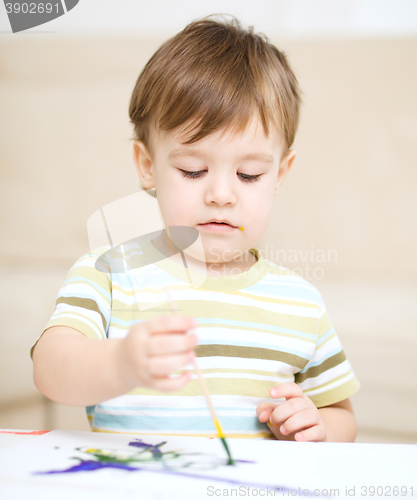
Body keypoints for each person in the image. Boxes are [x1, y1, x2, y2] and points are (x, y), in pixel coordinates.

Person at [32, 15, 360, 441]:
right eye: (193, 170)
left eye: (249, 175)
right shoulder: (108, 275)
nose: (221, 194)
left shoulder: (302, 305)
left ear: (280, 173)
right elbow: (50, 370)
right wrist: (120, 363)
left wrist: (316, 426)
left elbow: (342, 417)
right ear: (148, 166)